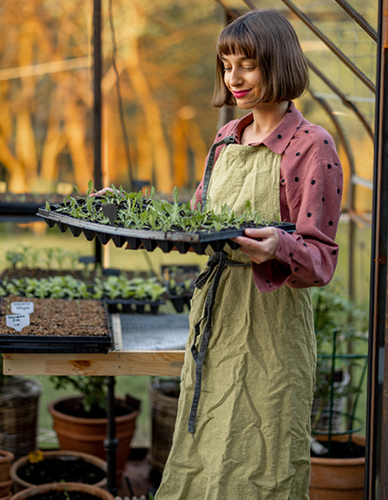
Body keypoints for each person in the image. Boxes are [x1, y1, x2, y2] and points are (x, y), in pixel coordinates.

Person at [156, 9, 342, 500]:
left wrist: (278, 245)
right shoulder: (225, 138)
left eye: (248, 65)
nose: (233, 78)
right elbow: (196, 219)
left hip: (271, 323)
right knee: (203, 448)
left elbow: (321, 258)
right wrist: (126, 211)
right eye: (226, 64)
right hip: (218, 316)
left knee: (263, 456)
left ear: (277, 64)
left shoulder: (311, 145)